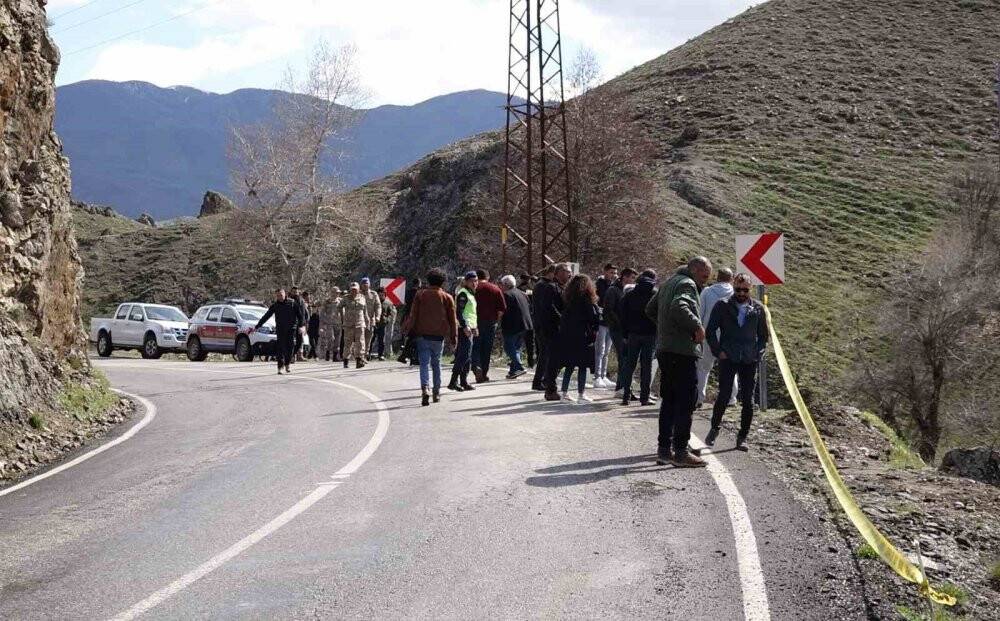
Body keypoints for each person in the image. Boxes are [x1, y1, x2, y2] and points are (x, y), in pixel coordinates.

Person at [645, 256, 713, 467]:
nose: (705, 281)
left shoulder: (668, 283)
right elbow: (679, 306)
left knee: (669, 401)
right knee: (685, 402)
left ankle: (664, 450)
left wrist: (666, 329)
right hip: (682, 351)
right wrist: (696, 326)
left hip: (665, 349)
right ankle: (681, 451)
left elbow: (650, 309)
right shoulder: (687, 284)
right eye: (704, 276)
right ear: (695, 270)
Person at [705, 274, 769, 451]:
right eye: (738, 289)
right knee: (724, 395)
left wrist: (758, 353)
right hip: (728, 356)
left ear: (751, 289)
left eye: (745, 290)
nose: (741, 293)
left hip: (749, 359)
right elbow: (710, 331)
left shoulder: (758, 308)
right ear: (733, 287)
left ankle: (742, 437)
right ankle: (714, 428)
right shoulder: (722, 305)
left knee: (748, 400)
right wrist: (718, 351)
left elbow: (763, 336)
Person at [402, 268, 457, 406]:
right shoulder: (447, 297)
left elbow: (413, 315)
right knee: (436, 364)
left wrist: (408, 329)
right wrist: (453, 337)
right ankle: (436, 392)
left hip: (422, 335)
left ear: (428, 280)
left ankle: (425, 388)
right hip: (438, 336)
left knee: (424, 364)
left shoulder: (420, 295)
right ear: (443, 282)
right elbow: (452, 320)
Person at [555, 274, 601, 402]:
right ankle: (581, 394)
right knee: (582, 366)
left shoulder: (568, 298)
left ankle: (564, 393)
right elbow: (593, 318)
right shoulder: (587, 300)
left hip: (568, 335)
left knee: (569, 366)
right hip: (583, 336)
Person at [697, 268, 737, 408]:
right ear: (731, 278)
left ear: (717, 277)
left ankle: (699, 398)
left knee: (703, 367)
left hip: (709, 334)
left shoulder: (707, 292)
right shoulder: (735, 293)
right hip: (729, 336)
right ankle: (731, 398)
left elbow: (700, 313)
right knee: (730, 368)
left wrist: (699, 331)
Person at [619, 269, 658, 406]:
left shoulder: (630, 294)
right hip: (650, 334)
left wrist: (625, 333)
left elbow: (622, 315)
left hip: (633, 334)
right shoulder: (655, 294)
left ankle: (626, 396)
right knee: (646, 367)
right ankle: (644, 397)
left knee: (630, 365)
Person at [602, 268, 637, 394]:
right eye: (632, 277)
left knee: (625, 357)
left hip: (625, 328)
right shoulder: (613, 290)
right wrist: (619, 323)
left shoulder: (628, 290)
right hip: (617, 329)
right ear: (624, 277)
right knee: (623, 357)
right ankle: (621, 387)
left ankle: (622, 386)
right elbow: (609, 310)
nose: (633, 280)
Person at [541, 263, 573, 401]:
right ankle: (550, 389)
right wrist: (562, 320)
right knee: (554, 359)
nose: (569, 274)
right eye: (567, 271)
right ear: (559, 272)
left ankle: (548, 380)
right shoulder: (551, 287)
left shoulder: (565, 288)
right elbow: (550, 307)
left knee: (562, 358)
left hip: (562, 329)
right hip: (553, 329)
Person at [253, 288, 301, 374]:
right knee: (280, 348)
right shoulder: (275, 305)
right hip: (280, 329)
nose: (280, 297)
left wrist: (302, 326)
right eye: (278, 296)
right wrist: (258, 326)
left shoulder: (292, 303)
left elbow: (300, 315)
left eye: (281, 295)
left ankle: (287, 363)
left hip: (291, 329)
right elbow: (266, 316)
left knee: (290, 348)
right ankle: (280, 367)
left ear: (285, 294)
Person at [471, 269, 506, 383]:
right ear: (488, 277)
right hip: (490, 322)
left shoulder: (473, 288)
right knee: (487, 348)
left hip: (475, 321)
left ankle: (476, 366)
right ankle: (484, 373)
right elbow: (501, 309)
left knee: (475, 346)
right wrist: (496, 320)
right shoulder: (495, 289)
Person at [449, 271, 479, 391]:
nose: (475, 283)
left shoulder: (471, 294)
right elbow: (459, 312)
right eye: (472, 281)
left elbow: (471, 313)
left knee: (468, 356)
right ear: (466, 282)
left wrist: (475, 327)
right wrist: (465, 326)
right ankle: (453, 381)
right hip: (464, 329)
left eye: (476, 281)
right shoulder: (463, 293)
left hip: (470, 328)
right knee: (463, 355)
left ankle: (464, 381)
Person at [531, 265, 559, 391]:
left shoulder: (541, 284)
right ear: (552, 273)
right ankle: (539, 381)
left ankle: (541, 380)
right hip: (543, 325)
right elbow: (546, 307)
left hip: (540, 323)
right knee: (545, 354)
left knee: (545, 353)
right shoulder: (544, 286)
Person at [499, 274, 532, 379]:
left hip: (512, 325)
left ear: (506, 284)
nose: (501, 286)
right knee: (516, 348)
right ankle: (513, 371)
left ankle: (519, 367)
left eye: (502, 284)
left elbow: (503, 310)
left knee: (508, 347)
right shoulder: (522, 293)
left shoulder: (506, 295)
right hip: (525, 324)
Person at [340, 282, 371, 368]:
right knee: (348, 343)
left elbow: (365, 311)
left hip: (360, 323)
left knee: (360, 342)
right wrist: (342, 317)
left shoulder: (362, 297)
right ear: (350, 290)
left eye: (355, 289)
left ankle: (359, 360)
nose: (354, 291)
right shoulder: (346, 298)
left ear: (358, 289)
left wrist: (367, 321)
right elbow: (339, 307)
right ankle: (346, 360)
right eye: (352, 289)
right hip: (348, 324)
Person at [359, 277, 381, 360]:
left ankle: (365, 355)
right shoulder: (358, 294)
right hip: (359, 320)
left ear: (369, 284)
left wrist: (378, 316)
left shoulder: (373, 294)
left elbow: (378, 306)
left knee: (368, 339)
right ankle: (359, 356)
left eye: (366, 283)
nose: (365, 285)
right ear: (361, 285)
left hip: (370, 320)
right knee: (360, 338)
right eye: (363, 284)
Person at [317, 288, 342, 361]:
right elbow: (322, 313)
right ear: (332, 293)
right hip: (329, 323)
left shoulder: (341, 301)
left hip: (338, 323)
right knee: (331, 338)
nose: (337, 294)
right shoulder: (327, 302)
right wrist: (322, 323)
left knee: (337, 340)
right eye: (335, 292)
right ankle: (328, 351)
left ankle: (335, 356)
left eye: (338, 293)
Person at [517, 273, 536, 368]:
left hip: (520, 317)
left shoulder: (518, 289)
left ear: (521, 279)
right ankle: (531, 362)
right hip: (531, 317)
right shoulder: (532, 289)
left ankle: (517, 361)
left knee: (518, 341)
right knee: (530, 342)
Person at [289, 286, 308, 362]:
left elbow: (305, 312)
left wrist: (305, 323)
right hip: (292, 324)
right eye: (294, 292)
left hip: (300, 324)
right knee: (291, 341)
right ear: (291, 292)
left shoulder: (301, 300)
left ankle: (293, 355)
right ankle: (291, 356)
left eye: (296, 292)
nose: (295, 293)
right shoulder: (289, 301)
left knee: (299, 341)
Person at [305, 292, 320, 359]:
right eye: (308, 297)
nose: (309, 298)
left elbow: (318, 309)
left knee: (316, 339)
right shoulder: (305, 304)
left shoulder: (314, 303)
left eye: (310, 297)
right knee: (311, 338)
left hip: (316, 320)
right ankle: (315, 355)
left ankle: (310, 354)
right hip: (309, 322)